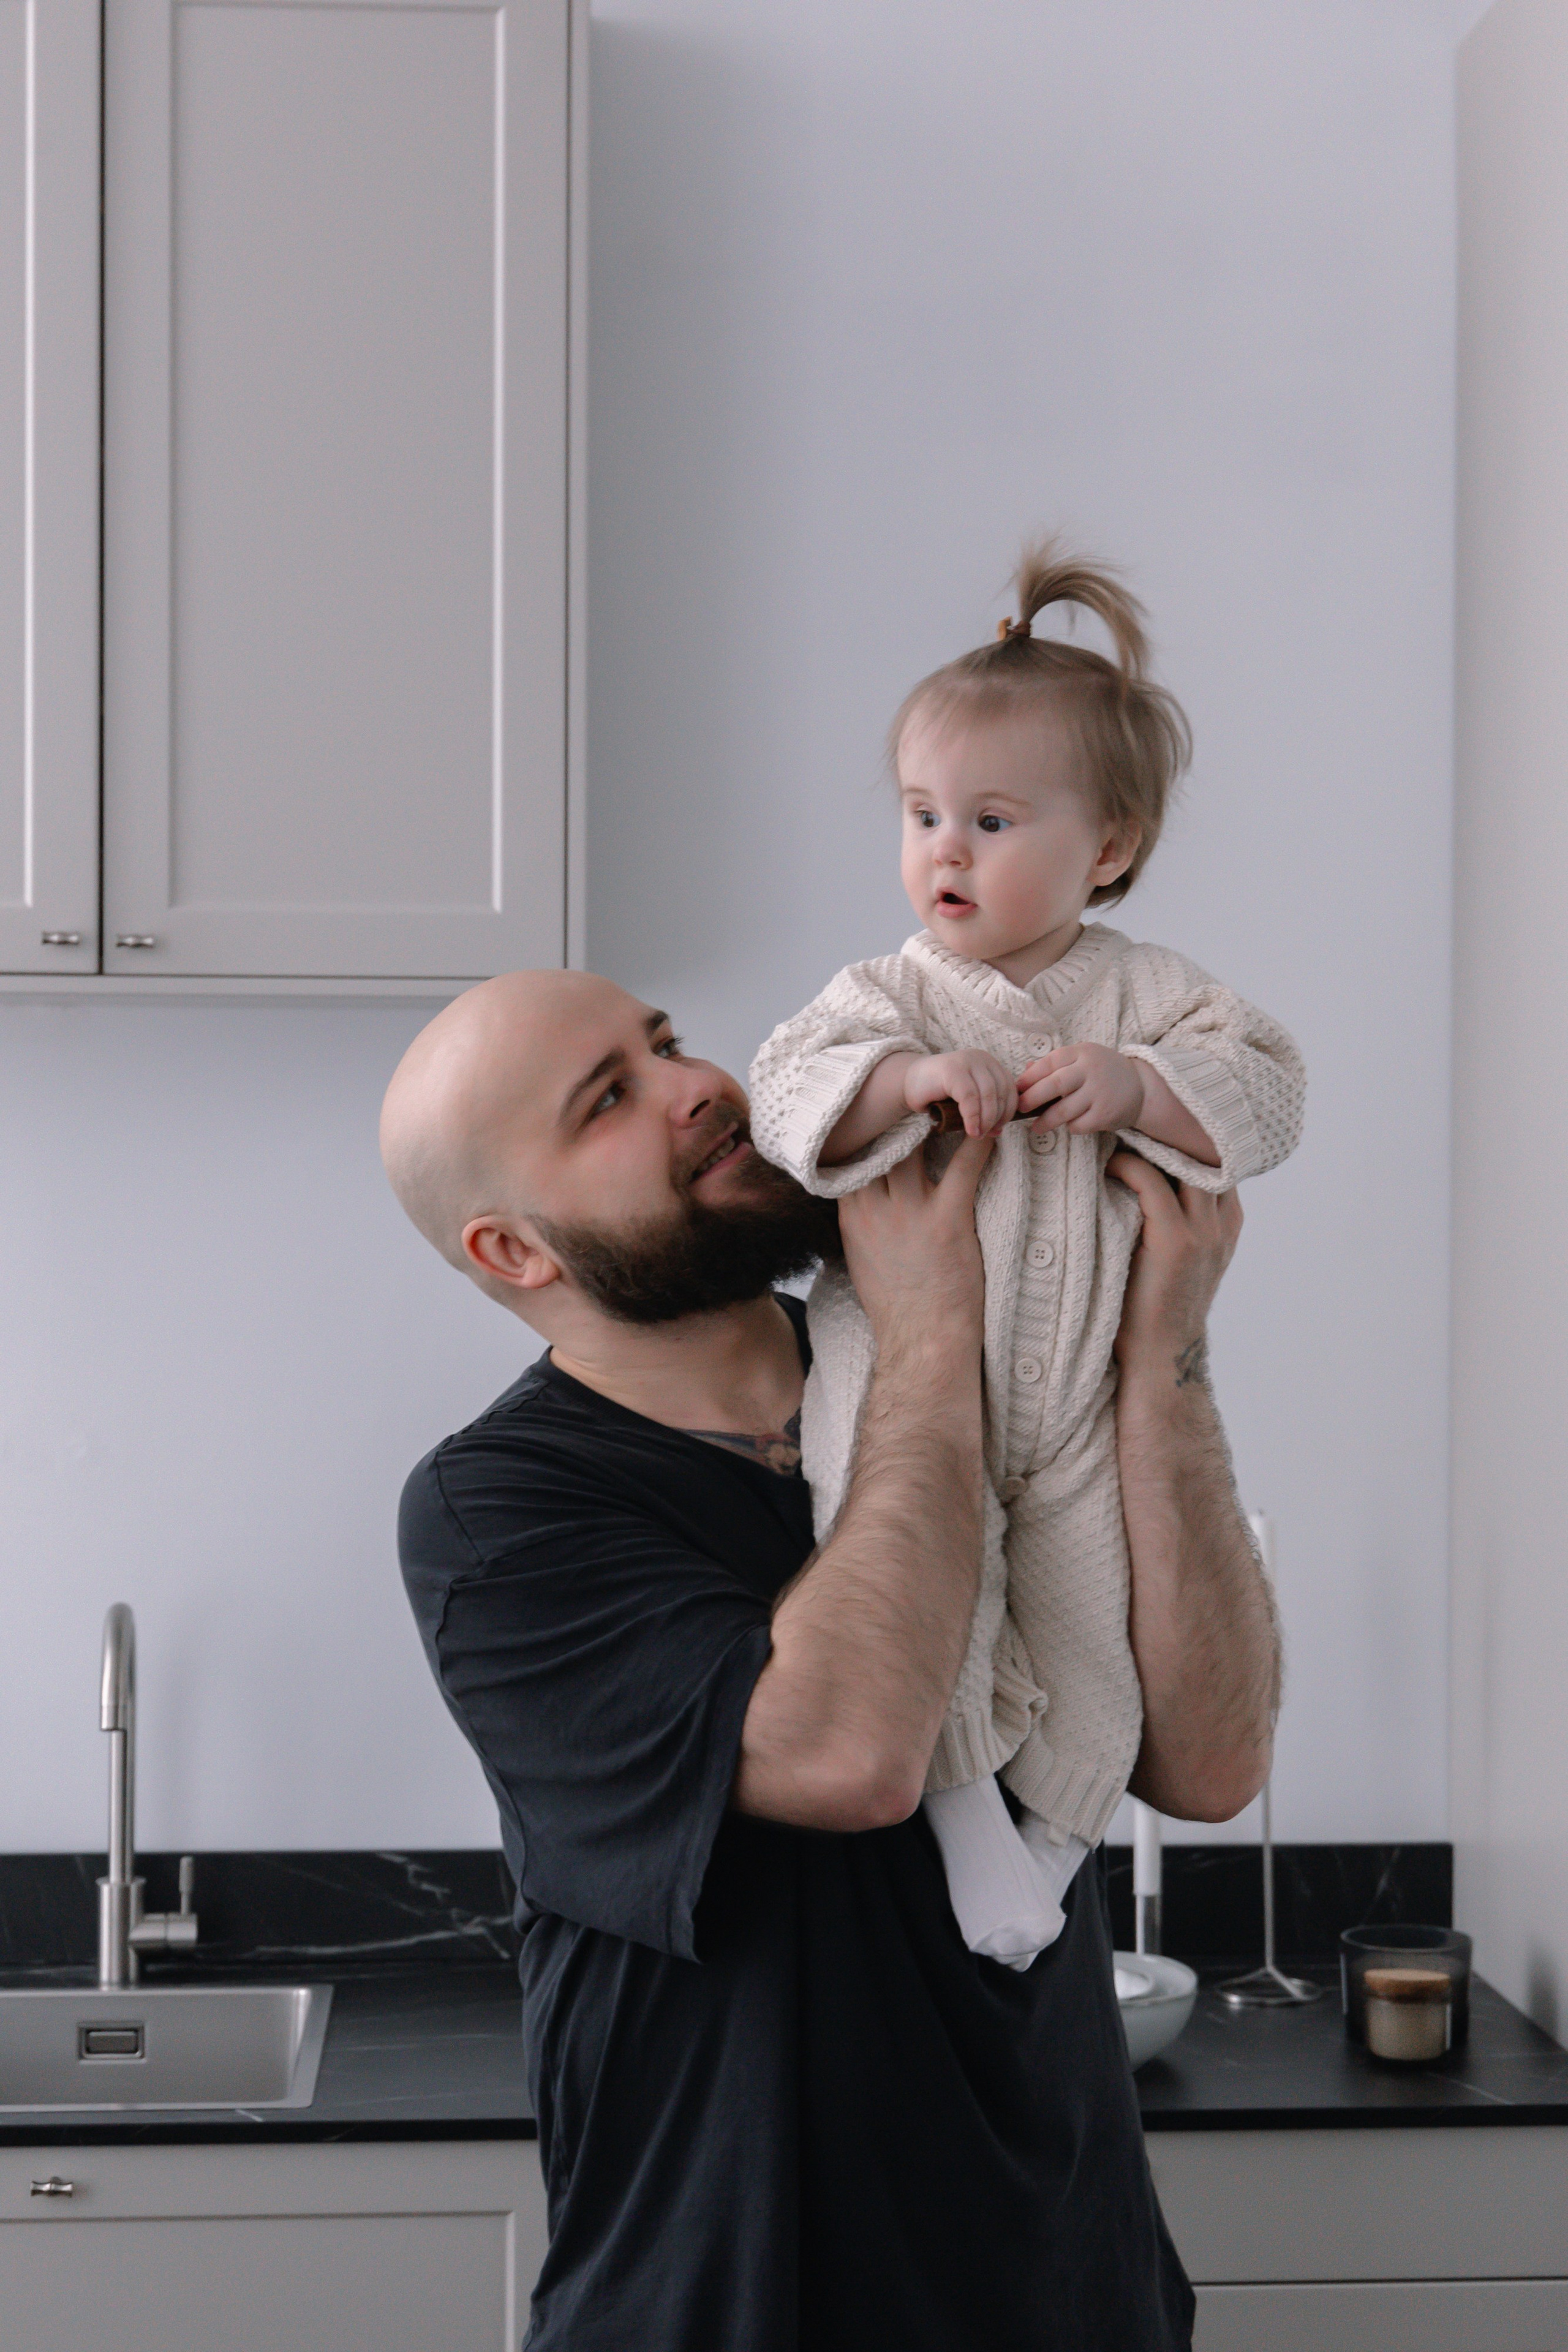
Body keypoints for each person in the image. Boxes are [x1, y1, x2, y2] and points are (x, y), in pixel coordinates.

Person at [380, 968, 1278, 2352]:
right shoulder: (499, 1511)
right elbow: (848, 1756)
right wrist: (925, 1338)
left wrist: (1158, 1350)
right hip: (735, 2305)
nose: (698, 1088)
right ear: (516, 1253)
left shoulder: (957, 1374)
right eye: (608, 1100)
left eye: (664, 1043)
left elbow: (1211, 1763)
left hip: (1070, 2289)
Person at [748, 543, 1304, 1968]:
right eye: (923, 813)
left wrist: (1132, 1086)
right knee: (936, 1613)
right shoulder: (884, 995)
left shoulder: (1149, 994)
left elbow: (1266, 1090)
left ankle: (1052, 1844)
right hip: (896, 1390)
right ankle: (964, 1832)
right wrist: (904, 1089)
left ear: (1103, 850)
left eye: (990, 820)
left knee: (1087, 1639)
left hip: (1073, 1408)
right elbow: (788, 1088)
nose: (943, 849)